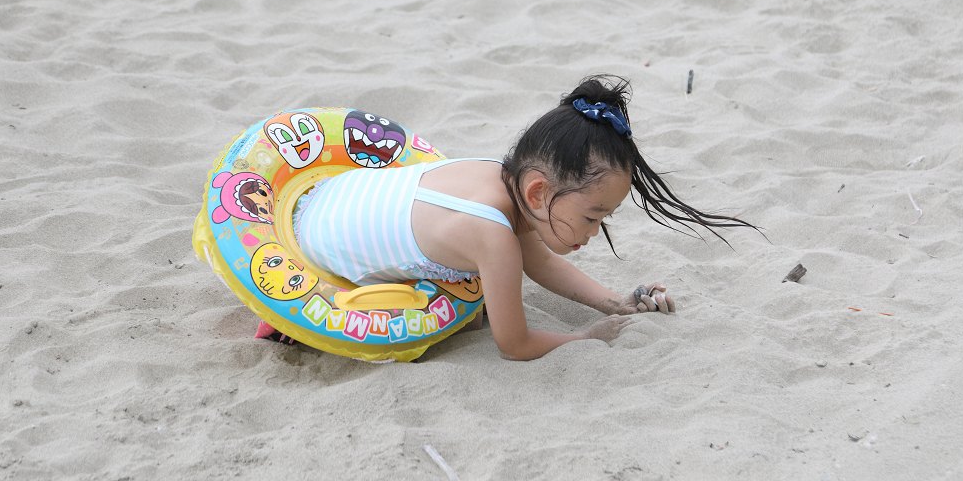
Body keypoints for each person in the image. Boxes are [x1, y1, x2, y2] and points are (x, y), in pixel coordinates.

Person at [270, 75, 761, 360]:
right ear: (538, 191)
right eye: (593, 216)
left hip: (321, 196)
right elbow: (515, 344)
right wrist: (585, 337)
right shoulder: (493, 236)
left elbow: (540, 262)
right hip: (318, 255)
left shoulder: (499, 179)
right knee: (476, 320)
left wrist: (615, 303)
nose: (596, 232)